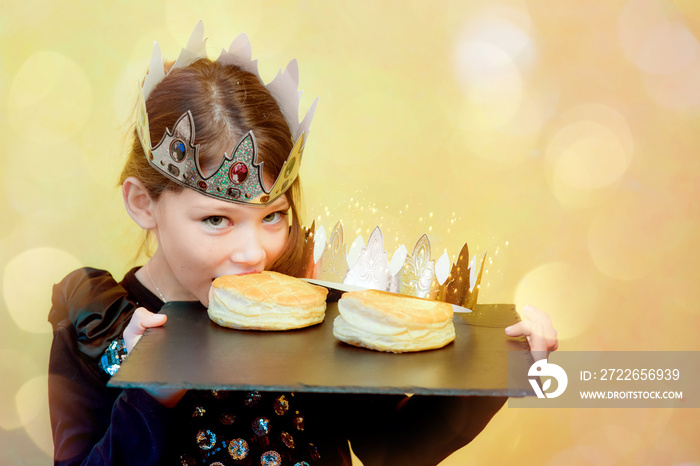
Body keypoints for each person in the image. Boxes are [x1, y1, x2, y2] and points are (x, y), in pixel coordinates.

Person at [48, 24, 558, 466]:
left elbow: (395, 448)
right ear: (143, 203)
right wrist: (149, 397)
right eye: (216, 220)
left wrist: (507, 367)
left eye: (273, 217)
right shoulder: (98, 321)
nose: (255, 253)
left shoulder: (313, 311)